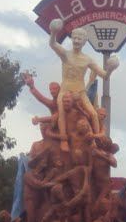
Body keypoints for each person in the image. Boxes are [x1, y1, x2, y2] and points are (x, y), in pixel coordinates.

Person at [48, 19, 119, 148]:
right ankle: (64, 140)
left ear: (84, 42)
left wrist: (111, 69)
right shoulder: (65, 54)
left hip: (80, 92)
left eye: (79, 39)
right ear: (71, 39)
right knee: (61, 111)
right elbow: (53, 44)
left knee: (93, 113)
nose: (76, 41)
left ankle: (97, 141)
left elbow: (104, 76)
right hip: (65, 91)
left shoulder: (87, 59)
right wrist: (53, 32)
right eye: (74, 38)